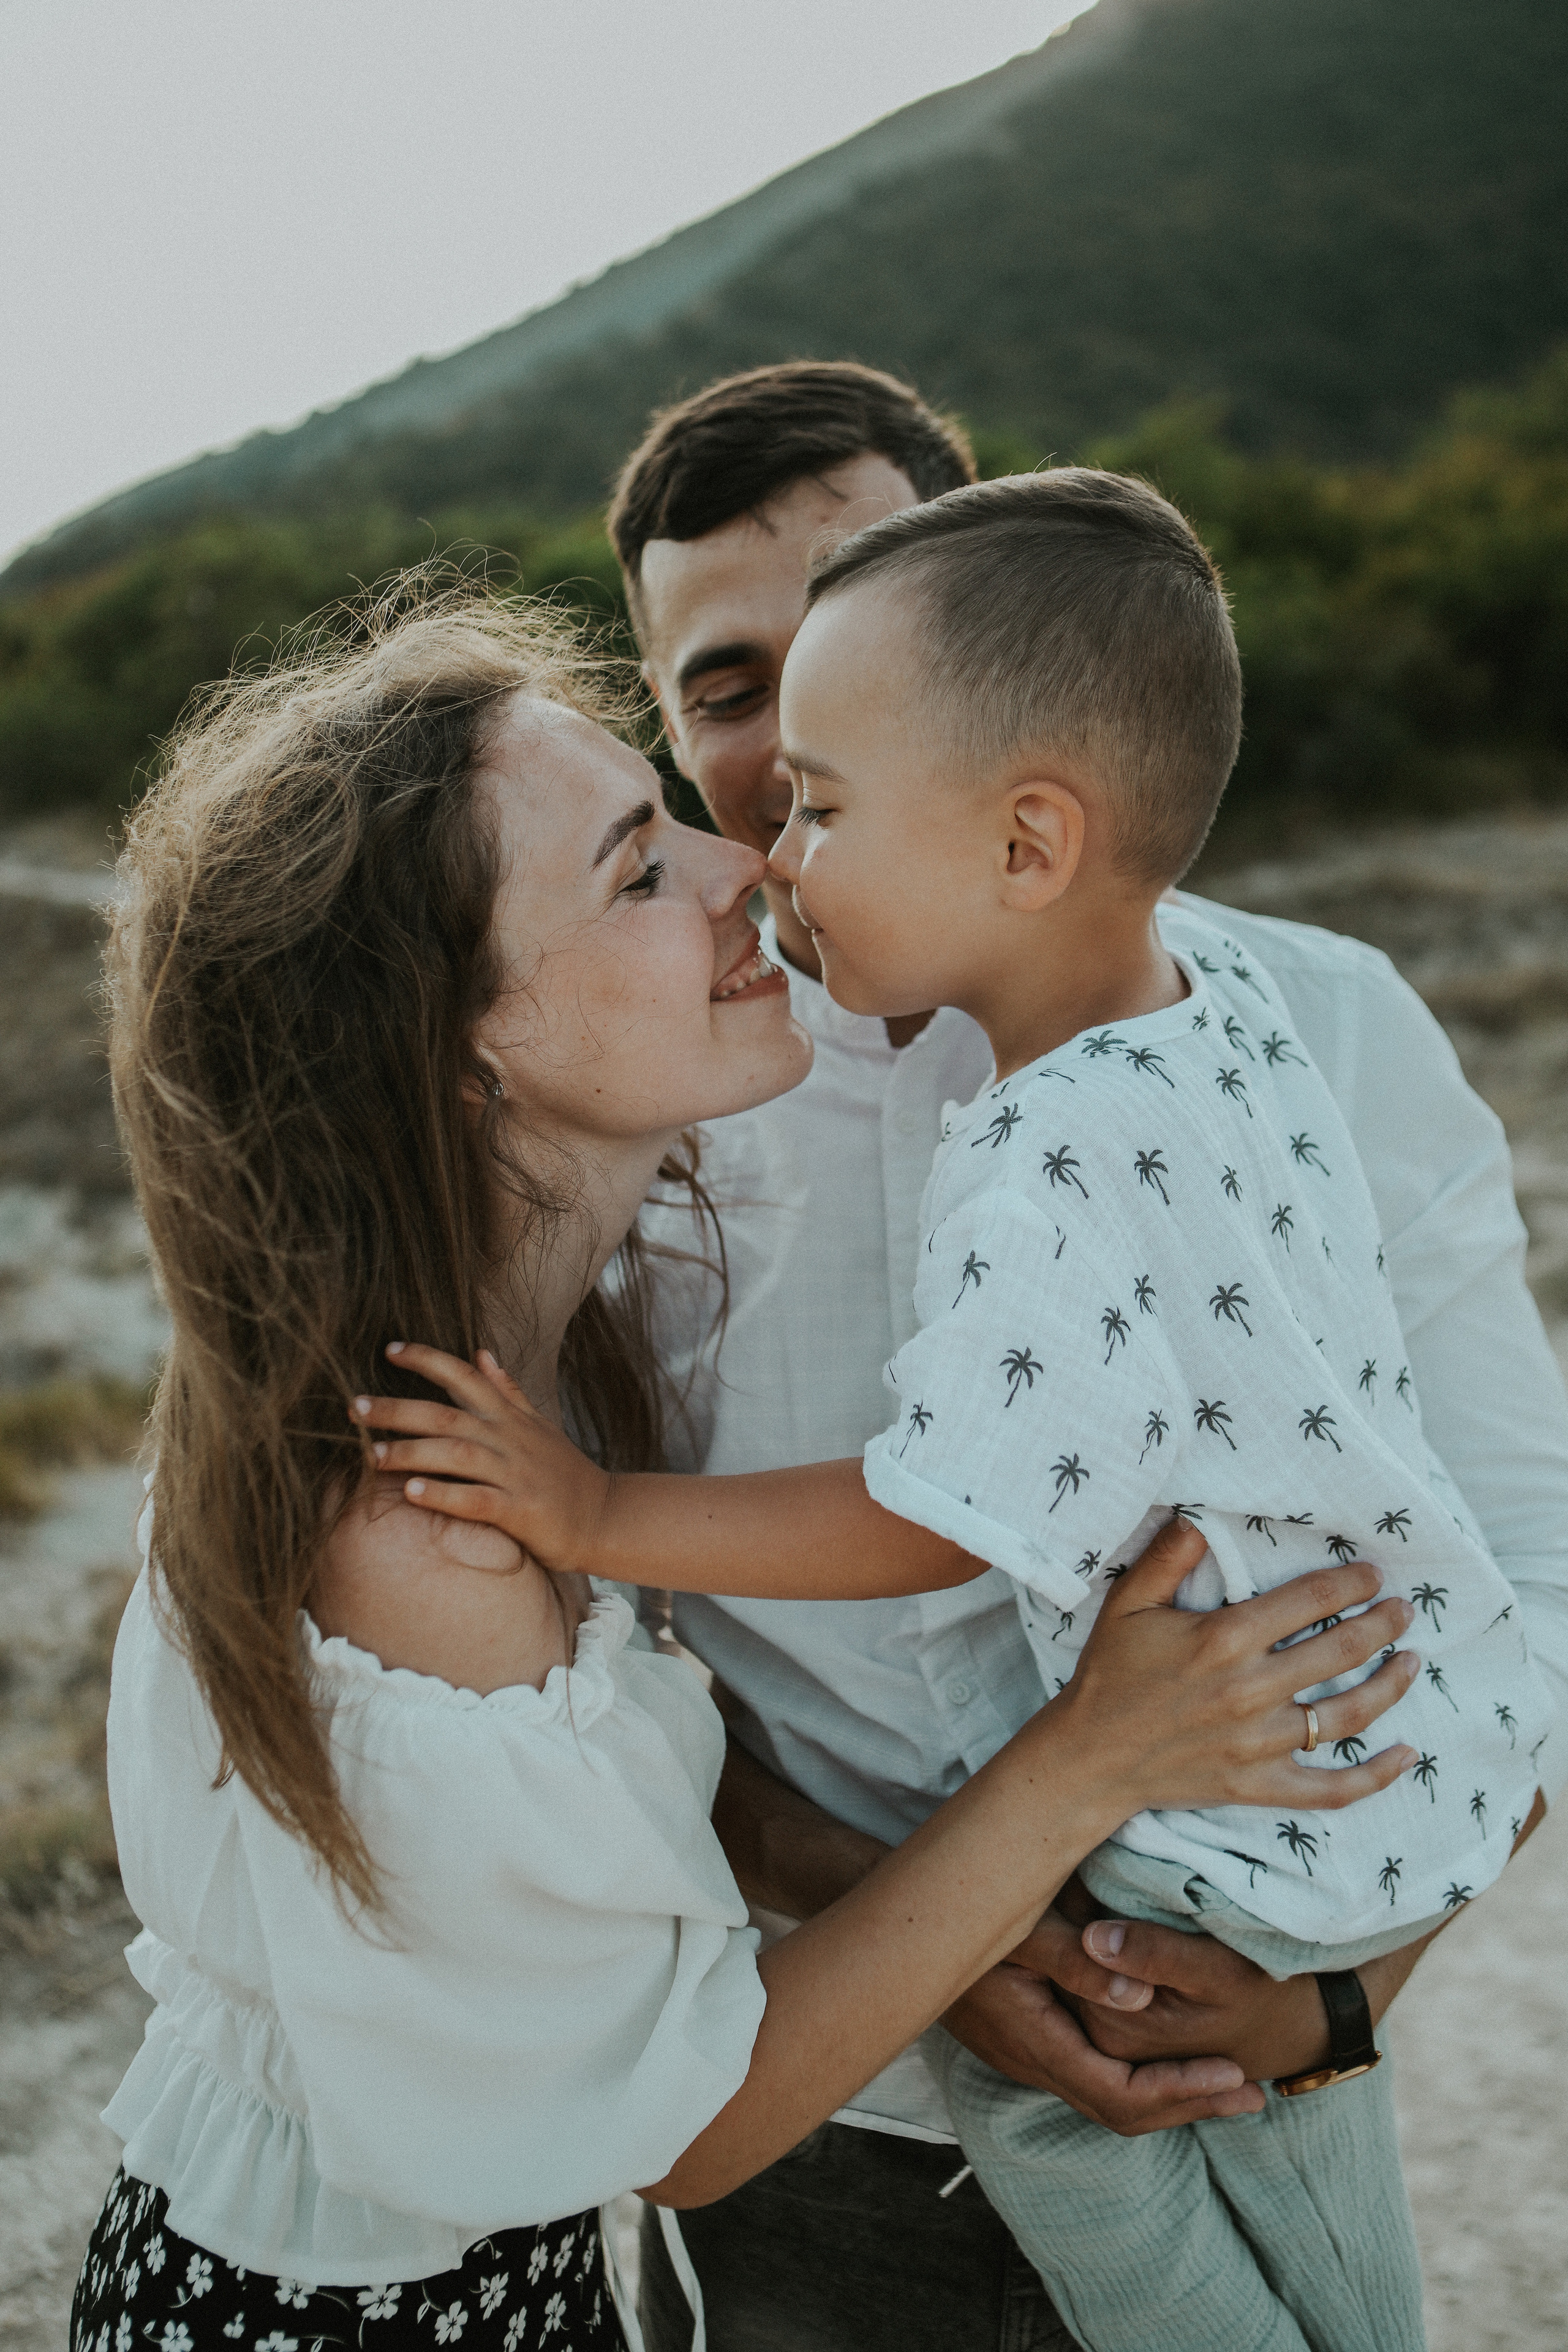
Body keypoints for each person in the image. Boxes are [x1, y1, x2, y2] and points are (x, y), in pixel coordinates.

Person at [72, 586, 1416, 2352]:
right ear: (453, 1045)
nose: (738, 868)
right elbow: (692, 2133)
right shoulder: (425, 1528)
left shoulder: (509, 1361)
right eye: (636, 869)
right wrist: (1093, 1755)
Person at [368, 470, 1553, 2352]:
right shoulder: (661, 1084)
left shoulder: (1236, 1051)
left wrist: (1343, 2001)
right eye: (729, 695)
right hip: (835, 2098)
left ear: (1026, 807)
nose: (773, 817)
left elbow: (963, 1506)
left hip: (1240, 1898)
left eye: (834, 774)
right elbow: (598, 1701)